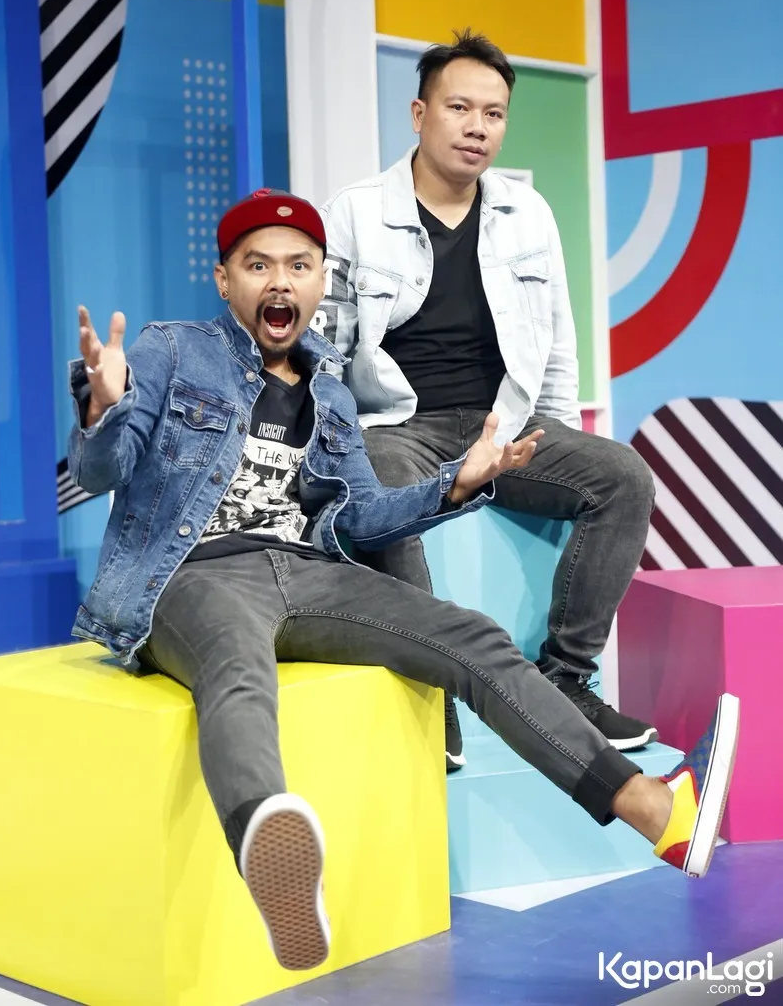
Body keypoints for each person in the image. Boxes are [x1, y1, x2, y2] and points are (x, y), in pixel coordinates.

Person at [68, 188, 739, 973]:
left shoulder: (330, 392)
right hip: (192, 574)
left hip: (306, 572)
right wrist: (103, 410)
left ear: (321, 282)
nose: (280, 281)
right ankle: (270, 847)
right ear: (225, 280)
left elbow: (364, 516)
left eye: (299, 265)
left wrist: (457, 484)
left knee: (473, 639)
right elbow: (103, 471)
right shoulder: (172, 351)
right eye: (258, 265)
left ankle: (655, 811)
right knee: (237, 668)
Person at [319, 30, 659, 769]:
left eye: (494, 113)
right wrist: (334, 450)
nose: (477, 127)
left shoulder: (527, 213)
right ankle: (431, 696)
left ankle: (565, 682)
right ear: (419, 114)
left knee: (625, 477)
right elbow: (327, 349)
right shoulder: (355, 212)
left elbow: (557, 339)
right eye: (460, 108)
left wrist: (557, 436)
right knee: (383, 486)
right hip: (399, 423)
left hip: (503, 424)